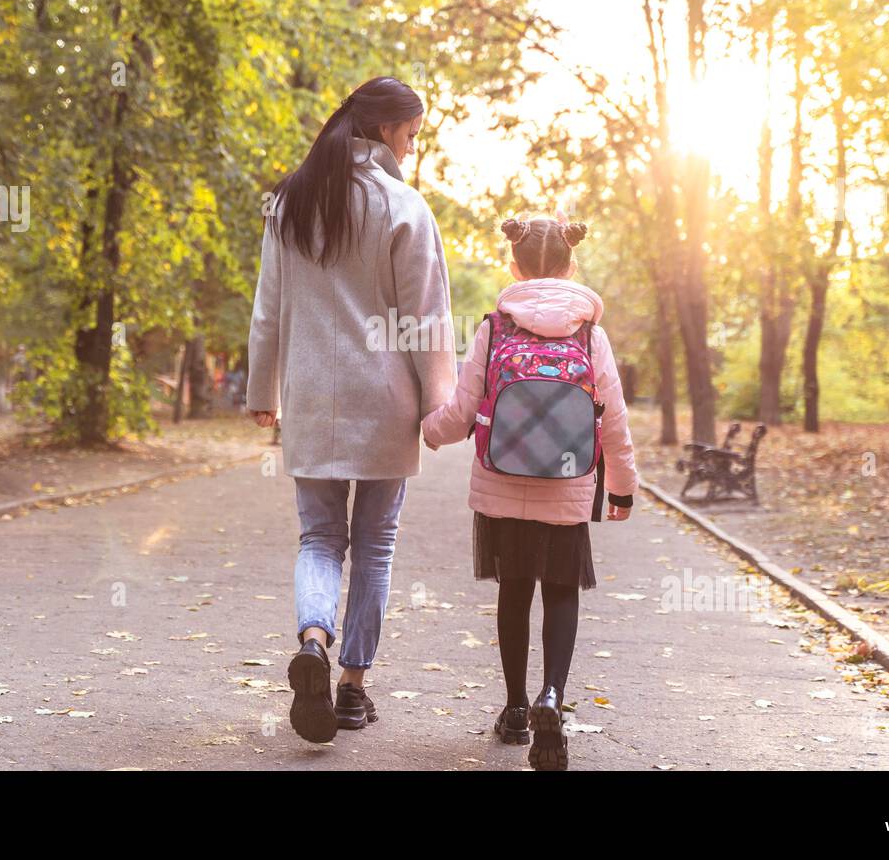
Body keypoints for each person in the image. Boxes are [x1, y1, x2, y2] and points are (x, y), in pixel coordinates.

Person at [246, 76, 455, 743]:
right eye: (413, 135)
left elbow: (268, 310)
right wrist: (439, 406)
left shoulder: (289, 203)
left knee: (318, 538)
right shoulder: (403, 206)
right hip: (386, 402)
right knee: (375, 543)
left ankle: (313, 639)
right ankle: (353, 688)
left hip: (309, 398)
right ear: (391, 132)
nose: (413, 148)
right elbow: (426, 320)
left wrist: (262, 392)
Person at [421, 214, 638, 771]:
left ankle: (516, 708)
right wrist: (622, 489)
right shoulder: (591, 335)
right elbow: (611, 420)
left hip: (501, 483)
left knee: (514, 592)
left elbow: (464, 409)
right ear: (571, 266)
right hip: (569, 486)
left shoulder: (496, 328)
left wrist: (427, 430)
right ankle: (552, 700)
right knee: (562, 591)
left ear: (514, 266)